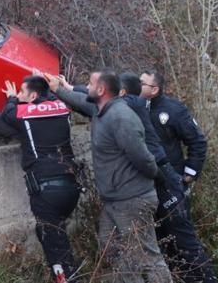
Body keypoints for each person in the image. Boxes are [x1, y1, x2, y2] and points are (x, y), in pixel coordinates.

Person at [53, 69, 172, 283]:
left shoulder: (121, 117)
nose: (86, 87)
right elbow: (80, 99)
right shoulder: (100, 108)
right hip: (114, 201)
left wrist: (156, 175)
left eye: (90, 84)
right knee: (113, 249)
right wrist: (57, 88)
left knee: (147, 256)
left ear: (101, 89)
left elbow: (142, 157)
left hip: (133, 200)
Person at [1, 76, 80, 283]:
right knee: (54, 237)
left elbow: (7, 114)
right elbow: (52, 97)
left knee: (56, 248)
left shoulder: (23, 112)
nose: (19, 95)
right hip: (71, 188)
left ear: (33, 96)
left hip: (46, 191)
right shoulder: (63, 107)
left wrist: (11, 99)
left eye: (22, 92)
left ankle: (67, 278)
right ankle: (68, 274)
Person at [140, 71, 216, 282]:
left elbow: (197, 143)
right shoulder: (135, 109)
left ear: (154, 89)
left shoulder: (174, 110)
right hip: (148, 189)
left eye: (142, 83)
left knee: (184, 241)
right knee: (162, 242)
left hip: (172, 187)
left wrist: (188, 175)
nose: (138, 86)